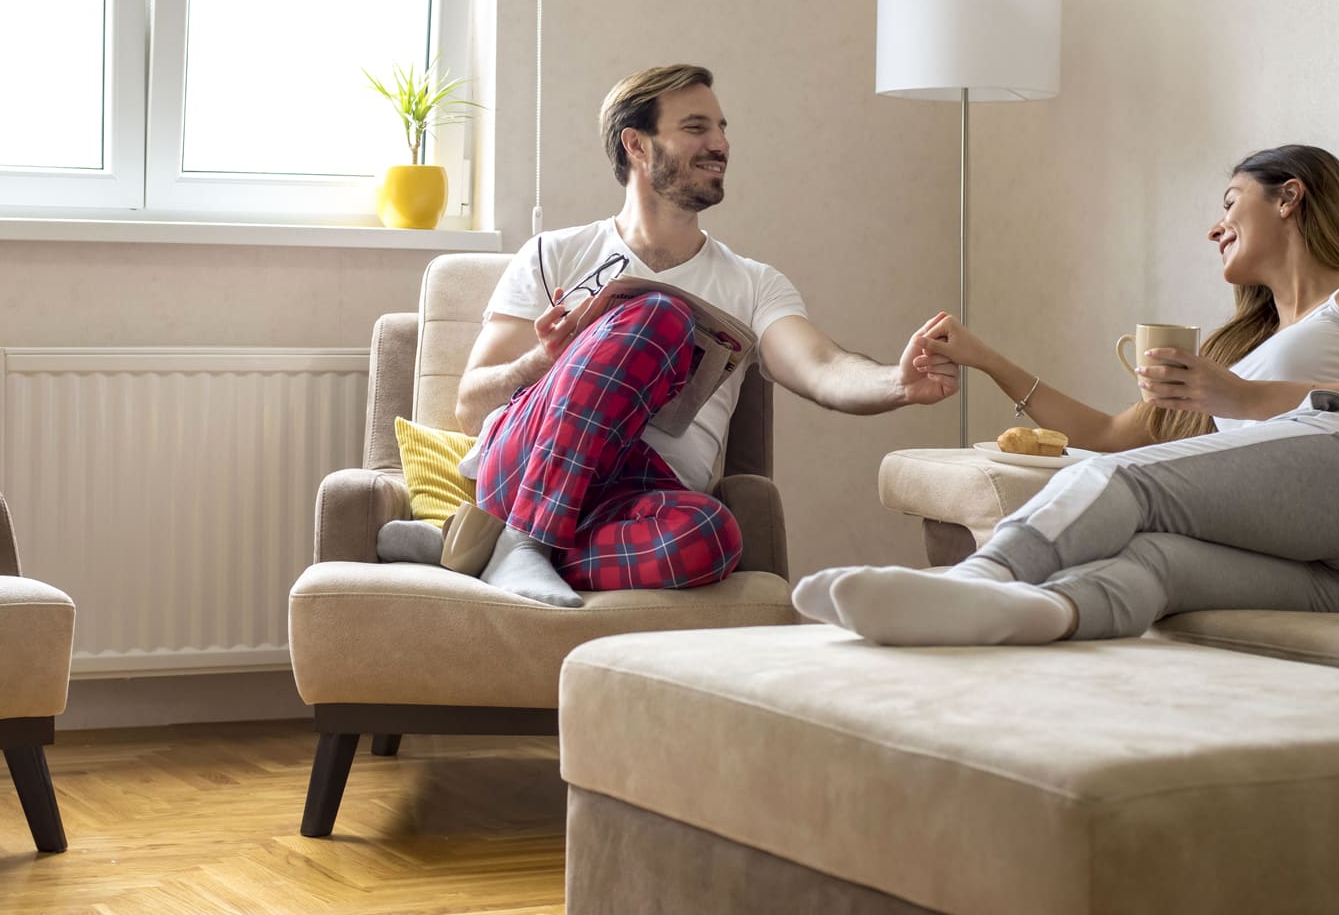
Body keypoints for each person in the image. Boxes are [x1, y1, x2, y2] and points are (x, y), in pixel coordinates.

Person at [794, 144, 1339, 646]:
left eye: (1229, 202)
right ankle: (1013, 611)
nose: (1215, 226)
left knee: (1129, 483)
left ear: (1289, 197)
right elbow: (1108, 435)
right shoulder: (1233, 353)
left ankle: (974, 579)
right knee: (1153, 560)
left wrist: (1242, 399)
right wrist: (988, 360)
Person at [377, 63, 959, 606]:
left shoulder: (754, 283)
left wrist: (897, 383)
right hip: (528, 463)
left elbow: (823, 367)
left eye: (722, 128)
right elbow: (471, 409)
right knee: (661, 315)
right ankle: (525, 541)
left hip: (641, 500)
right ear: (636, 144)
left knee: (712, 535)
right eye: (696, 127)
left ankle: (482, 549)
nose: (721, 144)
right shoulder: (554, 255)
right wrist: (544, 361)